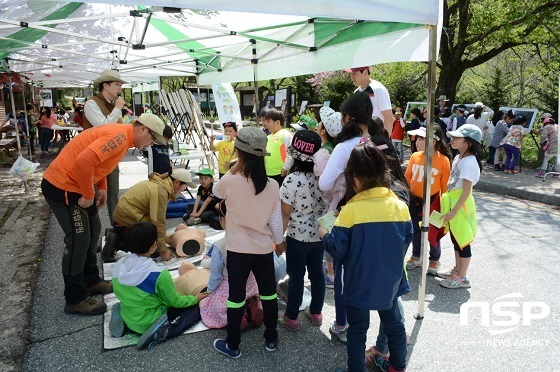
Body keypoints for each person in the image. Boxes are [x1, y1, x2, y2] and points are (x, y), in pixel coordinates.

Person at [40, 115, 166, 315]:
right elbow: (84, 161)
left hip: (77, 186)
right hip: (62, 187)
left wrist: (102, 187)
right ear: (143, 129)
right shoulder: (119, 136)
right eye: (153, 139)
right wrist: (88, 194)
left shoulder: (123, 137)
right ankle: (75, 298)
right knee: (78, 240)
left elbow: (101, 163)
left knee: (94, 229)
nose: (151, 144)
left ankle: (91, 280)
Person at [319, 141, 412, 372]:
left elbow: (337, 250)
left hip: (357, 281)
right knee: (394, 324)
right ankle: (397, 366)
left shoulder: (350, 210)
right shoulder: (400, 206)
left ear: (356, 179)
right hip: (390, 278)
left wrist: (324, 234)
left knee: (358, 329)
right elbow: (406, 240)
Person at [211, 127, 285, 358]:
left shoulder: (231, 182)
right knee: (269, 295)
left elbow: (215, 190)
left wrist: (234, 167)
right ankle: (271, 338)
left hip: (237, 250)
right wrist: (279, 242)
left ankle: (233, 345)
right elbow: (275, 220)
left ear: (239, 153)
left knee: (236, 298)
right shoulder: (272, 185)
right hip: (263, 250)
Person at [318, 92, 373, 345]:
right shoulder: (377, 142)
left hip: (347, 214)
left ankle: (343, 324)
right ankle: (366, 327)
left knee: (342, 272)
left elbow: (325, 182)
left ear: (347, 117)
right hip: (377, 215)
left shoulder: (344, 147)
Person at [111, 222, 207, 349]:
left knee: (135, 300)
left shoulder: (118, 267)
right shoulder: (158, 274)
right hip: (149, 322)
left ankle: (122, 315)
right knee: (193, 311)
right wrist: (195, 299)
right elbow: (175, 301)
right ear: (154, 245)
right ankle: (159, 331)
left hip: (129, 315)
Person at [277, 130, 325, 332]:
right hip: (320, 235)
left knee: (296, 276)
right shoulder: (323, 176)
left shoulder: (292, 179)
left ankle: (291, 317)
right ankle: (316, 312)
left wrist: (279, 239)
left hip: (297, 237)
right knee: (317, 274)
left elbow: (285, 213)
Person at [105, 168, 196, 263]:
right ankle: (118, 242)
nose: (183, 190)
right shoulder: (160, 191)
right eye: (184, 187)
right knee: (150, 250)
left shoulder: (161, 185)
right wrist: (163, 251)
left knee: (155, 240)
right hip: (125, 219)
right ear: (177, 182)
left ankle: (119, 233)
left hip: (127, 215)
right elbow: (158, 222)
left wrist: (163, 239)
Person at [199, 201, 263, 329]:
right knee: (248, 294)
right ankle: (251, 304)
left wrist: (210, 291)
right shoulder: (255, 239)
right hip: (251, 285)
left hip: (230, 287)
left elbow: (215, 275)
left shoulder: (220, 245)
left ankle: (234, 316)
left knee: (207, 304)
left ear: (222, 220)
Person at [438, 124, 482, 289]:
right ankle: (457, 270)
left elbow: (466, 191)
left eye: (457, 138)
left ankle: (462, 277)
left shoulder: (470, 162)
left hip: (460, 206)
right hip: (454, 202)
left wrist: (454, 211)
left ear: (468, 142)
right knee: (456, 239)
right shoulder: (459, 157)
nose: (452, 140)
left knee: (463, 241)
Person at [405, 126, 452, 276]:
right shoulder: (415, 156)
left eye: (421, 138)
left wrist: (444, 207)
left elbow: (445, 186)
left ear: (432, 141)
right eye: (417, 138)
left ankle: (434, 259)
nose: (417, 141)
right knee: (415, 229)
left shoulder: (443, 160)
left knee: (433, 231)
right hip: (415, 198)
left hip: (433, 200)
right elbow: (408, 178)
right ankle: (416, 256)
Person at [83, 69, 128, 225]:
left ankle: (117, 232)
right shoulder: (91, 103)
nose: (120, 88)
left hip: (110, 157)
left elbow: (117, 127)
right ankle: (91, 236)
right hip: (93, 159)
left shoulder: (112, 105)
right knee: (94, 197)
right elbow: (102, 127)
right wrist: (117, 110)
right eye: (117, 84)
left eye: (120, 84)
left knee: (113, 195)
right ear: (105, 85)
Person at [314, 106, 343, 288]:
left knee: (327, 232)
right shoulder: (337, 148)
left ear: (323, 130)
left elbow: (322, 180)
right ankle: (332, 271)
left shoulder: (324, 152)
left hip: (330, 200)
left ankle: (331, 274)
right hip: (339, 198)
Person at [344, 66, 393, 134]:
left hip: (377, 137)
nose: (352, 76)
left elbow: (388, 118)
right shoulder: (357, 92)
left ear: (365, 72)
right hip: (362, 137)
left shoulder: (378, 89)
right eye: (350, 74)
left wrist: (386, 140)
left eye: (354, 73)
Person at [263, 109, 293, 186]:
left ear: (277, 122)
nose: (266, 124)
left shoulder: (285, 134)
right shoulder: (268, 136)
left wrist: (286, 167)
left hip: (279, 173)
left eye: (269, 121)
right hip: (267, 172)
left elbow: (290, 152)